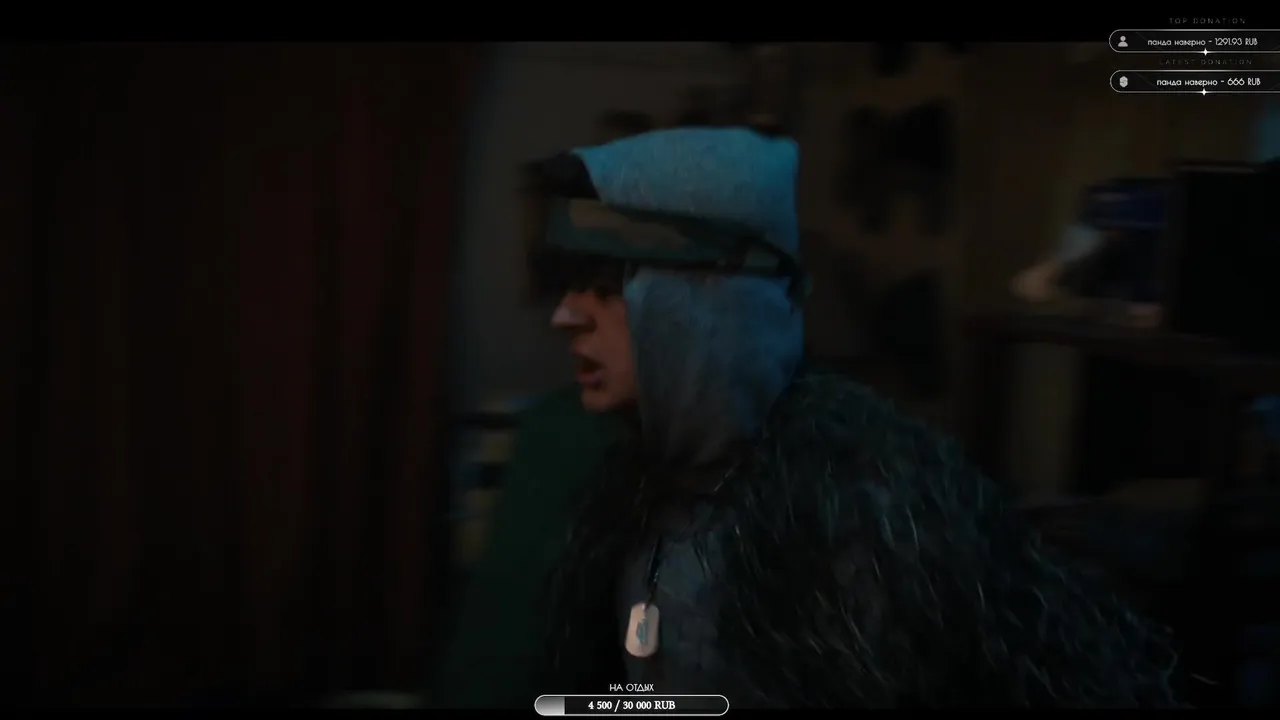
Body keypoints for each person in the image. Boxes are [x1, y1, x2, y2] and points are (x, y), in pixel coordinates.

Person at [532, 127, 1181, 708]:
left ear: (710, 300)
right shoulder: (637, 490)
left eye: (608, 285)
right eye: (569, 281)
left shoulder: (857, 518)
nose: (566, 316)